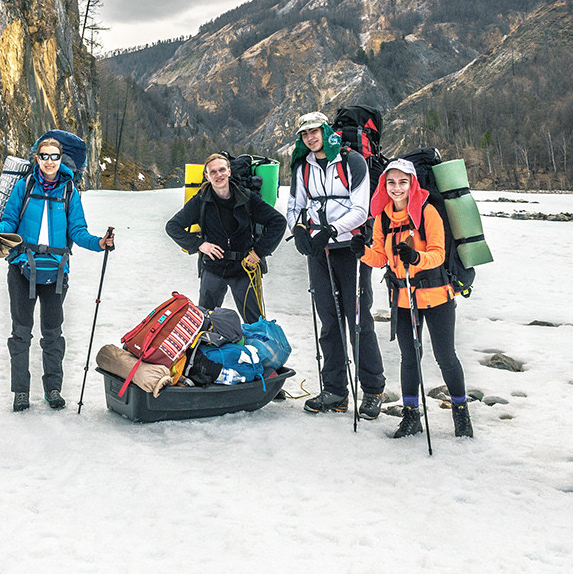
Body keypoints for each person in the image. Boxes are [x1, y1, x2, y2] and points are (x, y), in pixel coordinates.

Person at [0, 134, 114, 411]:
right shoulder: (24, 186)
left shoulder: (69, 191)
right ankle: (21, 391)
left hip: (57, 270)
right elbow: (10, 218)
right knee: (21, 332)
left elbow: (77, 230)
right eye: (44, 156)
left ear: (61, 160)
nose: (49, 161)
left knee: (52, 333)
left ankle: (53, 389)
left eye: (55, 157)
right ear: (37, 157)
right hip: (21, 266)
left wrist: (99, 243)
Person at [361, 159, 473, 438]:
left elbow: (437, 252)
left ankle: (461, 415)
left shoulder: (428, 211)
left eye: (402, 182)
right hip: (402, 298)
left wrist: (416, 258)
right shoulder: (383, 217)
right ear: (384, 186)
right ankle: (411, 416)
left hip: (436, 296)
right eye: (391, 183)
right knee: (409, 357)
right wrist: (360, 251)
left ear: (412, 183)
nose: (397, 188)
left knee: (445, 356)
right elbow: (380, 258)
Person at [284, 111, 385, 418]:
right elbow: (294, 205)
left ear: (326, 131)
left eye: (315, 132)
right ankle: (336, 391)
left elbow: (361, 209)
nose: (310, 138)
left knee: (357, 318)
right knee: (328, 319)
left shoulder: (352, 161)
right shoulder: (303, 166)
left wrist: (330, 230)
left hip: (350, 248)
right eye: (305, 134)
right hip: (319, 250)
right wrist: (298, 231)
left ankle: (372, 389)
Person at [163, 152, 286, 323]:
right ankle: (206, 350)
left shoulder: (246, 197)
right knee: (204, 322)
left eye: (222, 170)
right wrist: (199, 244)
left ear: (229, 171)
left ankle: (258, 349)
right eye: (213, 172)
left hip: (244, 268)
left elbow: (278, 222)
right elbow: (172, 226)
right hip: (213, 268)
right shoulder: (201, 200)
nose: (218, 175)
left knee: (255, 324)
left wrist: (258, 252)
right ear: (207, 176)